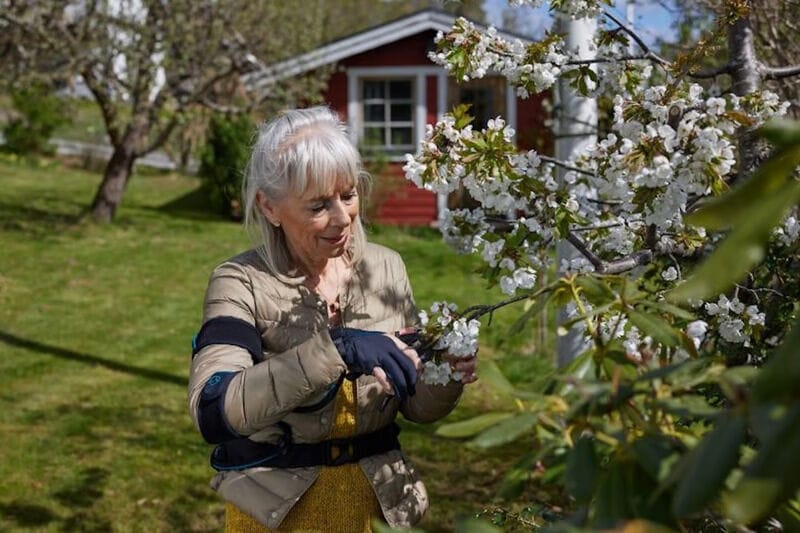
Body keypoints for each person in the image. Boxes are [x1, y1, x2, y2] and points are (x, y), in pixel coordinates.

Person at [188, 106, 477, 532]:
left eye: (348, 195)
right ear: (270, 207)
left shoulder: (386, 268)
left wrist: (444, 374)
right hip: (278, 514)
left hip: (378, 506)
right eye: (319, 205)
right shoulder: (240, 283)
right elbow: (214, 409)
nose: (342, 217)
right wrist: (336, 349)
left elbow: (415, 405)